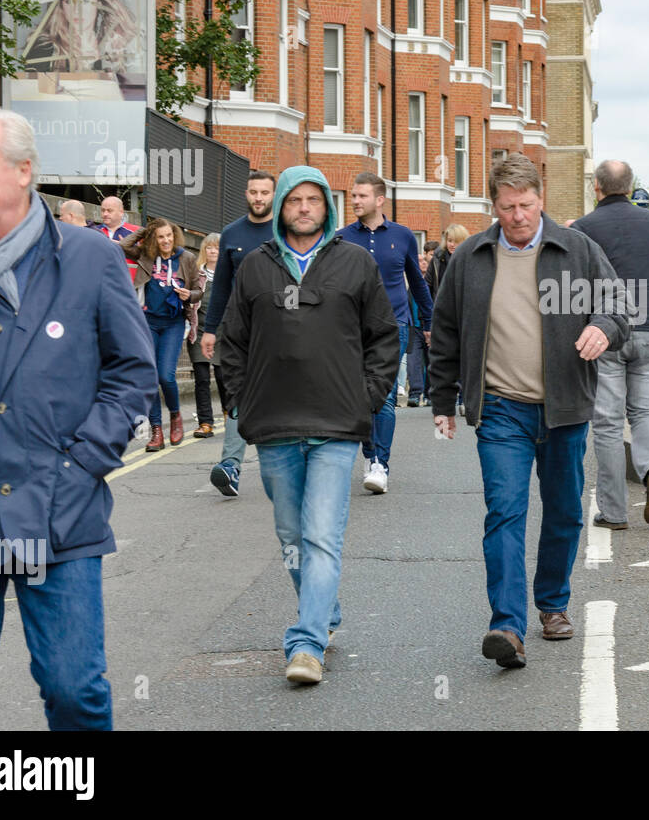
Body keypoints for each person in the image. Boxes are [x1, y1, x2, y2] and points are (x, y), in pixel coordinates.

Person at [0, 105, 154, 729]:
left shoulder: (90, 258)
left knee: (74, 692)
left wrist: (83, 462)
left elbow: (133, 372)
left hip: (59, 512)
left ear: (24, 170)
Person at [429, 154, 627, 668]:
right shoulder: (472, 257)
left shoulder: (576, 249)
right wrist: (443, 400)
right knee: (505, 512)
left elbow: (618, 306)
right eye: (509, 206)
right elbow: (445, 330)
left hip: (564, 407)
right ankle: (507, 626)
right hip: (500, 409)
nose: (519, 216)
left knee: (562, 512)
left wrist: (603, 327)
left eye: (528, 205)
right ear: (493, 205)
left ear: (542, 200)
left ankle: (553, 605)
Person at [220, 166, 400, 684]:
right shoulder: (255, 266)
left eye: (312, 200)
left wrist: (365, 399)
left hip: (336, 426)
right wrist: (240, 401)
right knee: (291, 536)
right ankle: (324, 612)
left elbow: (384, 339)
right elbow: (232, 342)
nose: (303, 208)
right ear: (279, 207)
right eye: (293, 200)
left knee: (321, 536)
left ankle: (306, 643)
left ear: (328, 207)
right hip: (273, 423)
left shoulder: (356, 263)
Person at [573, 159, 649, 530]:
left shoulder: (583, 228)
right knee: (643, 412)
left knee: (608, 423)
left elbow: (573, 284)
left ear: (597, 187)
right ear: (630, 186)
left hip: (605, 331)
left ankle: (614, 512)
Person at [338, 172, 434, 494]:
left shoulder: (404, 236)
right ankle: (369, 454)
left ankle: (381, 463)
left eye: (361, 196)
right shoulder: (341, 237)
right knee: (362, 398)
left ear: (379, 199)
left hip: (395, 325)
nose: (354, 201)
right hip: (353, 328)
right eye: (353, 195)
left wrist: (430, 323)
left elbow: (417, 282)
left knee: (388, 398)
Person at [201, 170, 277, 496]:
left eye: (264, 192)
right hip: (239, 330)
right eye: (253, 192)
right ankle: (230, 466)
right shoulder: (231, 234)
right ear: (245, 194)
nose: (258, 198)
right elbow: (219, 288)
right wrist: (209, 329)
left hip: (281, 328)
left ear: (274, 195)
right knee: (238, 396)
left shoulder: (285, 232)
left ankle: (288, 464)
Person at [121, 218, 201, 451]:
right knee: (150, 376)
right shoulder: (146, 255)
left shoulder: (186, 258)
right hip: (147, 321)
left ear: (174, 236)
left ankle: (175, 416)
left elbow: (198, 289)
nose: (166, 240)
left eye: (169, 235)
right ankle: (156, 430)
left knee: (166, 375)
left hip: (173, 323)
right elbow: (122, 246)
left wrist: (190, 294)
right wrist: (147, 231)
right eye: (161, 236)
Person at [187, 232, 221, 439]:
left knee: (224, 377)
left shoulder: (229, 274)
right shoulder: (196, 275)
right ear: (204, 251)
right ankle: (205, 422)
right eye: (209, 247)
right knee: (201, 379)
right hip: (199, 332)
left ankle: (230, 416)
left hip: (224, 332)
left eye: (216, 248)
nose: (212, 251)